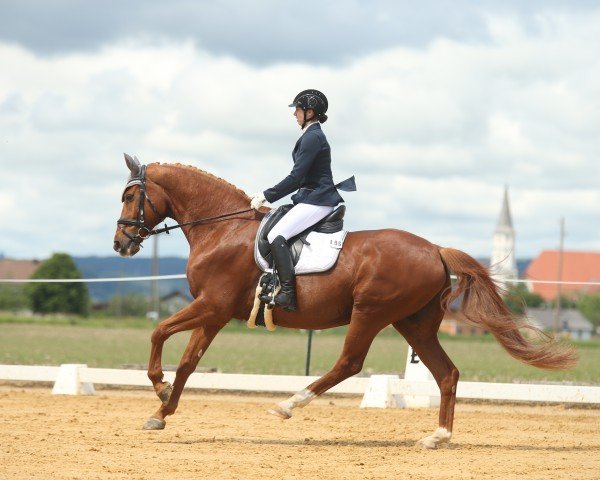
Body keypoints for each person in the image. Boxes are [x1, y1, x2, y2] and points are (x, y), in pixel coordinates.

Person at [250, 89, 355, 311]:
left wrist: (267, 195)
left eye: (297, 109)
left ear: (309, 111)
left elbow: (296, 177)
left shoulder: (313, 137)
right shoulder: (310, 135)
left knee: (275, 235)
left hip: (317, 199)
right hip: (311, 197)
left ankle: (288, 293)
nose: (294, 114)